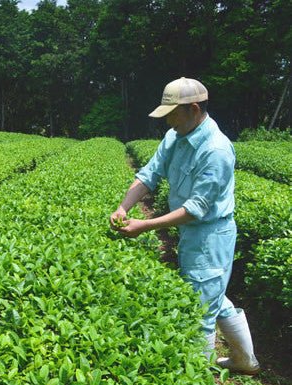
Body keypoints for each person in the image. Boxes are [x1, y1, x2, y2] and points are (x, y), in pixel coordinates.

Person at [109, 77, 259, 374]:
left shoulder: (215, 150)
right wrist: (123, 206)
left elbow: (196, 209)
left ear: (193, 109)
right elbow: (148, 174)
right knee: (212, 295)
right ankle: (246, 362)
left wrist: (145, 224)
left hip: (211, 235)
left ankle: (196, 375)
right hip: (191, 233)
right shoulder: (175, 136)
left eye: (172, 114)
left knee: (200, 311)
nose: (168, 121)